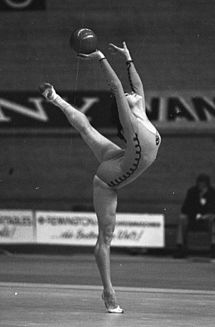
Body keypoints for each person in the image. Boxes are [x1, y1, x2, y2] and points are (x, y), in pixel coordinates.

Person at [39, 42, 161, 313]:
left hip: (122, 158)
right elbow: (118, 88)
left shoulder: (140, 108)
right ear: (126, 107)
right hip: (109, 178)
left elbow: (135, 86)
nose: (132, 92)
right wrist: (101, 58)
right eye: (129, 95)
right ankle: (108, 293)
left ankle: (55, 98)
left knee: (86, 129)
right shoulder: (130, 120)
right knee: (105, 239)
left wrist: (129, 59)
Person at [175, 174, 215, 258]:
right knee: (182, 218)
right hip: (193, 218)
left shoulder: (212, 193)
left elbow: (212, 208)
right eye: (200, 184)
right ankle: (181, 247)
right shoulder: (192, 192)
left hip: (207, 219)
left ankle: (213, 247)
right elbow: (185, 208)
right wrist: (196, 214)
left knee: (213, 219)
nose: (201, 186)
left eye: (203, 184)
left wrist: (206, 215)